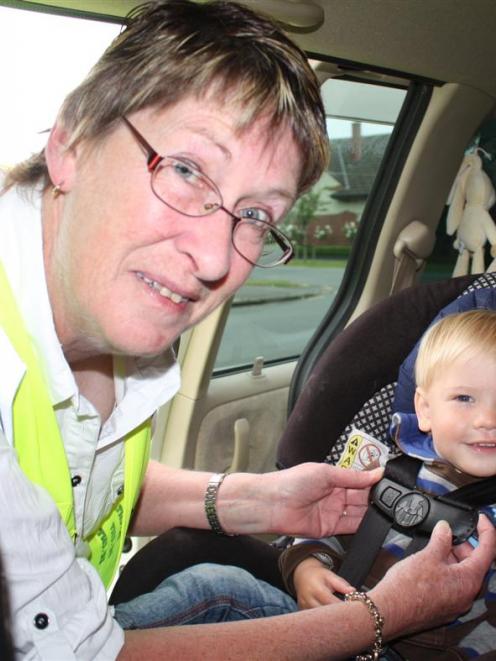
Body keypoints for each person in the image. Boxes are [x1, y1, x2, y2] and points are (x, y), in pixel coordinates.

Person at [0, 0, 494, 658]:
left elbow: (82, 483)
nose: (212, 258)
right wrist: (385, 614)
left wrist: (255, 499)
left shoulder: (115, 325)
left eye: (257, 215)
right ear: (71, 142)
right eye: (186, 170)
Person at [280, 309, 496, 660]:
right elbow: (323, 528)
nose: (488, 419)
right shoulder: (384, 469)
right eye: (464, 399)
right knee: (211, 583)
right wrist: (308, 568)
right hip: (319, 624)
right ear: (424, 410)